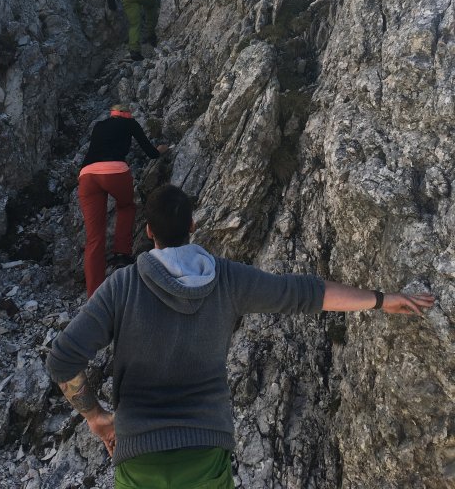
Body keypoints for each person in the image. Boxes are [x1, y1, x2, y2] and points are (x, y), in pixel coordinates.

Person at [47, 184, 435, 488]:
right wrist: (382, 299)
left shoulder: (123, 287)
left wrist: (96, 416)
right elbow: (304, 293)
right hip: (206, 454)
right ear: (193, 227)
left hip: (138, 458)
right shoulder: (228, 280)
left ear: (149, 232)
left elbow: (63, 359)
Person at [78, 104, 168, 296]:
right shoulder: (130, 123)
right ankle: (122, 253)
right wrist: (160, 150)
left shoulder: (99, 125)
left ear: (112, 114)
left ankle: (93, 294)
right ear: (127, 114)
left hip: (87, 176)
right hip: (115, 172)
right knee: (126, 206)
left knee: (94, 238)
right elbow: (150, 151)